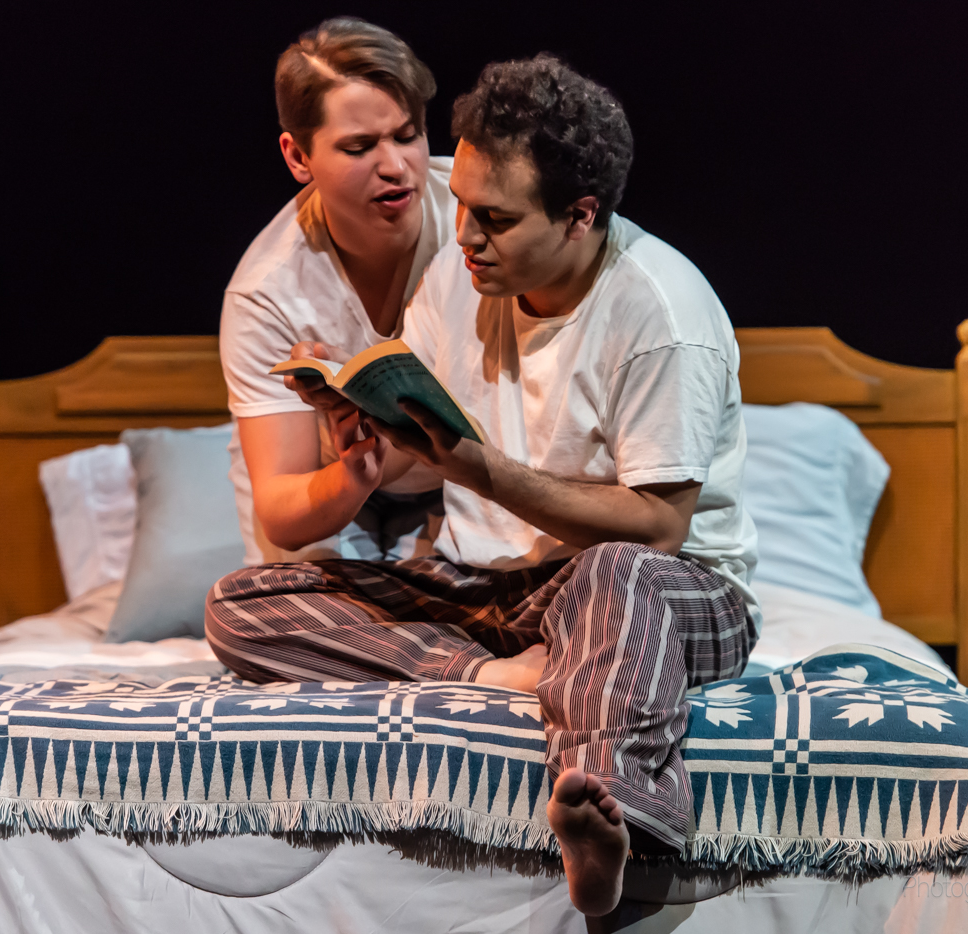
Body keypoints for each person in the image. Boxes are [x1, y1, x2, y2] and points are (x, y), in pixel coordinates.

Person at [207, 55, 759, 917]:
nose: (462, 233)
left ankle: (612, 817)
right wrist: (369, 447)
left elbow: (658, 528)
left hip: (665, 590)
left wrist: (482, 470)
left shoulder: (660, 314)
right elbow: (427, 453)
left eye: (494, 219)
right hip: (494, 590)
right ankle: (493, 676)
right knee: (244, 602)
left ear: (579, 216)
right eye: (460, 203)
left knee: (615, 572)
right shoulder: (458, 278)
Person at [220, 17, 453, 567]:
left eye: (407, 136)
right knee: (269, 605)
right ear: (298, 157)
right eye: (359, 147)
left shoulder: (480, 225)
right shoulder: (266, 293)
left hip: (462, 475)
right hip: (332, 485)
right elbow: (282, 510)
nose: (395, 166)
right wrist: (353, 473)